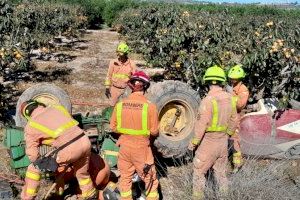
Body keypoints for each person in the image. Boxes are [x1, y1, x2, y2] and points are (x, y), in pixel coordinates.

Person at [20, 100, 97, 200]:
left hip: (69, 148)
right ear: (38, 104)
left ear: (26, 115)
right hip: (85, 141)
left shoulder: (31, 125)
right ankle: (89, 194)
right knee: (81, 173)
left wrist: (41, 162)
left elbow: (33, 155)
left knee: (33, 168)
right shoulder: (57, 108)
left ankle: (28, 197)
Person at [188, 65, 238, 200]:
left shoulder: (207, 101)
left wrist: (194, 142)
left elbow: (201, 125)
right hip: (222, 143)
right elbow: (234, 120)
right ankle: (224, 197)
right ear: (222, 81)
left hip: (208, 143)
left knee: (198, 173)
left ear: (207, 81)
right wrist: (227, 134)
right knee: (221, 174)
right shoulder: (230, 99)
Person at [110, 71, 159, 200]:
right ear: (146, 86)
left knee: (125, 179)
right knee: (150, 180)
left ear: (131, 86)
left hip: (124, 148)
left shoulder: (120, 105)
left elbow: (113, 127)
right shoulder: (150, 107)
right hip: (141, 149)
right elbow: (154, 132)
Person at [227, 64, 249, 172]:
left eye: (234, 78)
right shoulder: (229, 87)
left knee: (234, 140)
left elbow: (240, 104)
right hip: (226, 116)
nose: (232, 80)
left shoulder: (243, 89)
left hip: (236, 116)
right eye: (231, 78)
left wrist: (230, 96)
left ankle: (237, 165)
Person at [104, 42, 136, 106]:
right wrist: (107, 88)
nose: (121, 57)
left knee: (124, 107)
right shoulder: (113, 62)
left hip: (126, 90)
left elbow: (134, 77)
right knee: (112, 106)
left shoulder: (131, 64)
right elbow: (109, 75)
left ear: (126, 54)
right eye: (119, 55)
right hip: (114, 89)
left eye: (122, 55)